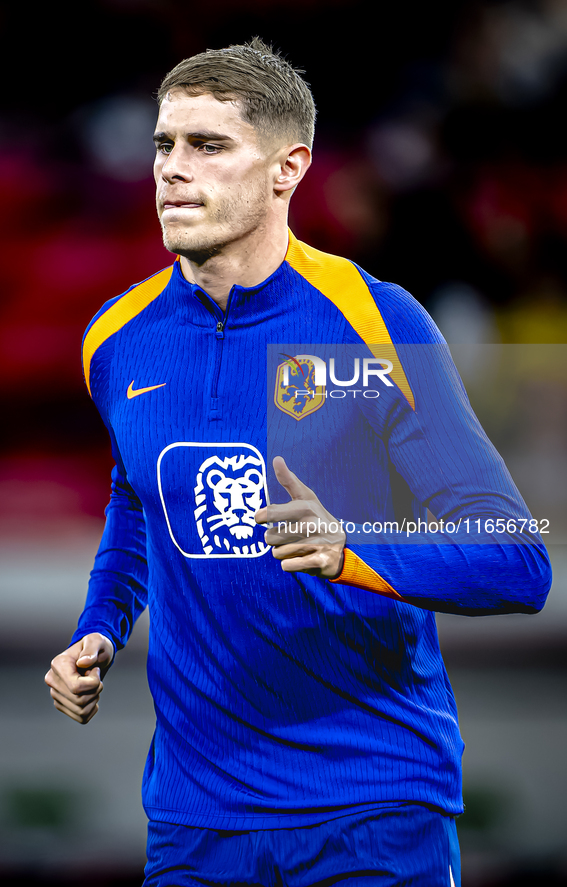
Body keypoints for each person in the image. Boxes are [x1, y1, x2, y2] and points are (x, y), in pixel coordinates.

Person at [45, 38, 552, 887]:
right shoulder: (115, 338)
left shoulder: (374, 323)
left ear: (288, 168)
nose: (171, 169)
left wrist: (352, 551)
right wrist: (100, 624)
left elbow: (516, 559)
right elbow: (137, 503)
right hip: (193, 819)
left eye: (208, 146)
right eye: (164, 144)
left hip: (372, 808)